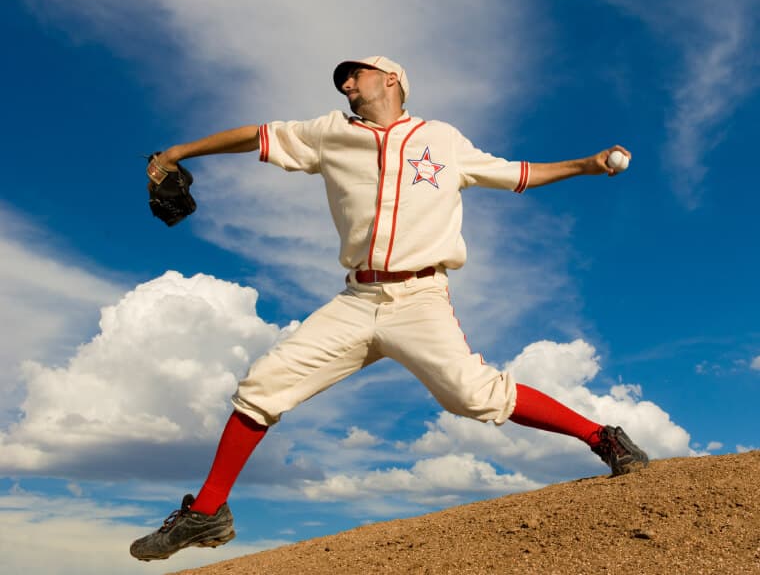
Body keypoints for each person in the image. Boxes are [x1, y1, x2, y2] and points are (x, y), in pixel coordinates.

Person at [130, 56, 649, 562]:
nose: (347, 84)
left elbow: (517, 173)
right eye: (344, 79)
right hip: (356, 300)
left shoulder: (443, 139)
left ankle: (602, 437)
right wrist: (178, 152)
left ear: (393, 79)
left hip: (420, 298)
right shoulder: (329, 131)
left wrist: (585, 165)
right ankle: (207, 510)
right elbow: (254, 135)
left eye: (357, 73)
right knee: (263, 384)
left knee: (473, 394)